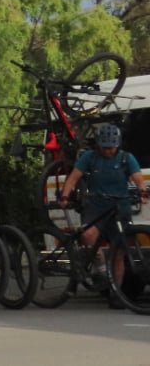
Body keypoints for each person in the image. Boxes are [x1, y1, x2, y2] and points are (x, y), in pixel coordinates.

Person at [57, 123, 147, 306]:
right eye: (105, 147)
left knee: (120, 253)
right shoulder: (90, 157)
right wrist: (65, 195)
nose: (108, 150)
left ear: (118, 144)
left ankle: (116, 293)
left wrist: (142, 191)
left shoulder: (126, 158)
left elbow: (138, 177)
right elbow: (73, 178)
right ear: (99, 145)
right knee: (88, 235)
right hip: (96, 205)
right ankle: (101, 268)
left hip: (120, 206)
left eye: (111, 147)